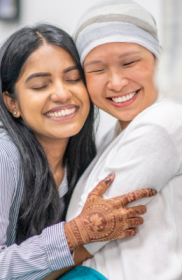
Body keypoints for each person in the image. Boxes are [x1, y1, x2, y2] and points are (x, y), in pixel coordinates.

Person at [0, 24, 156, 280]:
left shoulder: (84, 157)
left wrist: (83, 246)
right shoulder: (4, 156)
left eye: (73, 79)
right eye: (40, 85)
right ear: (12, 102)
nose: (62, 94)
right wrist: (73, 234)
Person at [66, 1, 182, 279]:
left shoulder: (163, 123)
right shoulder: (114, 133)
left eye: (129, 62)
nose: (116, 83)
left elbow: (87, 233)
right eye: (97, 70)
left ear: (158, 59)